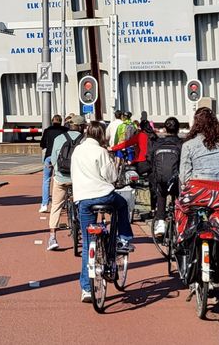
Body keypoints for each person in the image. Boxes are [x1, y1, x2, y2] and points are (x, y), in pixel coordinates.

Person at [176, 107, 219, 294]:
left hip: (196, 191)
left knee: (181, 209)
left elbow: (184, 176)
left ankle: (184, 243)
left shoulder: (189, 144)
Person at [72, 121, 134, 303]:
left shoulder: (77, 151)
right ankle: (123, 239)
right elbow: (112, 177)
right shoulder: (101, 152)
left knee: (87, 243)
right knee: (121, 204)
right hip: (103, 196)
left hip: (83, 199)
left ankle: (86, 289)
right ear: (101, 136)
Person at [46, 116, 84, 251]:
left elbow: (54, 158)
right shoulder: (84, 140)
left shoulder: (59, 139)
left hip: (61, 178)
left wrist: (57, 172)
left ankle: (52, 238)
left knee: (56, 205)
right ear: (81, 126)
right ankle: (85, 235)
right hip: (78, 179)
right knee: (84, 204)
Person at [145, 116, 183, 237]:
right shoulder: (182, 144)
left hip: (161, 180)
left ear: (165, 129)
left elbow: (150, 159)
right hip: (176, 181)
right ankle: (180, 223)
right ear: (178, 129)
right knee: (179, 196)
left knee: (161, 195)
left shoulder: (158, 143)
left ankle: (160, 223)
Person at [39, 114, 66, 213]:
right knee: (61, 179)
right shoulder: (64, 130)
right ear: (61, 121)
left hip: (49, 157)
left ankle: (44, 204)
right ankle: (61, 203)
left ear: (52, 121)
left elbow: (42, 144)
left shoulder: (47, 130)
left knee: (46, 180)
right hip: (61, 158)